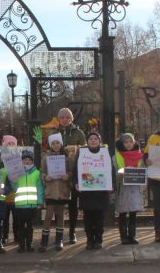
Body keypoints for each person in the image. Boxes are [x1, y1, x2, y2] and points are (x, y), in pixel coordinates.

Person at [53, 108, 87, 245]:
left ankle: (72, 232)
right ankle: (59, 233)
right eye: (62, 117)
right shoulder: (54, 132)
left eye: (68, 117)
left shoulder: (78, 132)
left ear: (71, 118)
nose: (65, 119)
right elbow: (49, 149)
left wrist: (74, 149)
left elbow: (84, 149)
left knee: (73, 205)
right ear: (59, 119)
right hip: (59, 172)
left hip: (74, 171)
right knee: (59, 205)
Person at [74, 132, 112, 250]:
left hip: (101, 193)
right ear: (87, 141)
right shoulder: (81, 153)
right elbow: (76, 169)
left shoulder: (105, 153)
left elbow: (111, 169)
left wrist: (112, 185)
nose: (93, 140)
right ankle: (90, 240)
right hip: (87, 193)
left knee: (99, 219)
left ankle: (99, 240)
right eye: (91, 138)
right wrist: (76, 183)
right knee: (88, 220)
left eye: (96, 138)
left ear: (99, 141)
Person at [40, 133, 72, 252]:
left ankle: (59, 240)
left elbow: (70, 171)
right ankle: (44, 241)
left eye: (57, 142)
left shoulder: (67, 157)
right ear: (50, 145)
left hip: (62, 190)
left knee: (60, 215)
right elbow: (41, 171)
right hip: (51, 190)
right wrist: (45, 177)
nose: (55, 145)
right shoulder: (46, 157)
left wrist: (67, 176)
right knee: (48, 215)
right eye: (53, 143)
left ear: (61, 143)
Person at [113, 133, 145, 245]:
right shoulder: (116, 156)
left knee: (133, 213)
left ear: (134, 142)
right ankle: (123, 236)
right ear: (122, 144)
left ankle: (132, 235)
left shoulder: (140, 156)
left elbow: (143, 170)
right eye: (126, 142)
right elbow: (114, 171)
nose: (128, 144)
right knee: (122, 213)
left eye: (130, 141)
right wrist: (120, 175)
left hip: (135, 188)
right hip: (122, 188)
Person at [11, 149, 44, 253]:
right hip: (20, 205)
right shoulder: (17, 173)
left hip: (31, 205)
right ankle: (21, 244)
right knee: (20, 226)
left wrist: (40, 201)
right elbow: (14, 188)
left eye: (29, 159)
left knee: (29, 226)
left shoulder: (37, 173)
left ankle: (29, 243)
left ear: (32, 161)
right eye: (24, 159)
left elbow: (39, 188)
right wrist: (14, 182)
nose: (27, 161)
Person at [1, 134, 19, 246]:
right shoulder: (0, 159)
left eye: (13, 144)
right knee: (4, 219)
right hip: (3, 195)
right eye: (8, 144)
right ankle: (5, 236)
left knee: (17, 219)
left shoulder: (19, 158)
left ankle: (17, 236)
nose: (11, 146)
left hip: (16, 194)